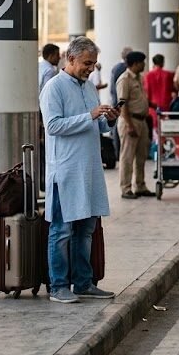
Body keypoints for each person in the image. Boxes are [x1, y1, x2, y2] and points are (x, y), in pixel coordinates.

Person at [39, 37, 116, 303]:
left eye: (93, 64)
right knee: (61, 231)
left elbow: (97, 126)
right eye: (86, 63)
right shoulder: (54, 88)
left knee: (86, 230)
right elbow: (53, 126)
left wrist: (109, 121)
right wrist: (90, 116)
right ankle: (58, 286)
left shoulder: (89, 87)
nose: (90, 69)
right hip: (66, 172)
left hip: (89, 171)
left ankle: (83, 283)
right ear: (70, 59)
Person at [115, 51, 154, 199]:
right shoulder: (124, 79)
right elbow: (122, 104)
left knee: (141, 155)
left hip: (141, 121)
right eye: (142, 62)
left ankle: (140, 185)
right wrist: (130, 125)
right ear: (136, 63)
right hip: (129, 122)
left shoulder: (138, 78)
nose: (144, 65)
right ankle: (126, 188)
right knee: (127, 156)